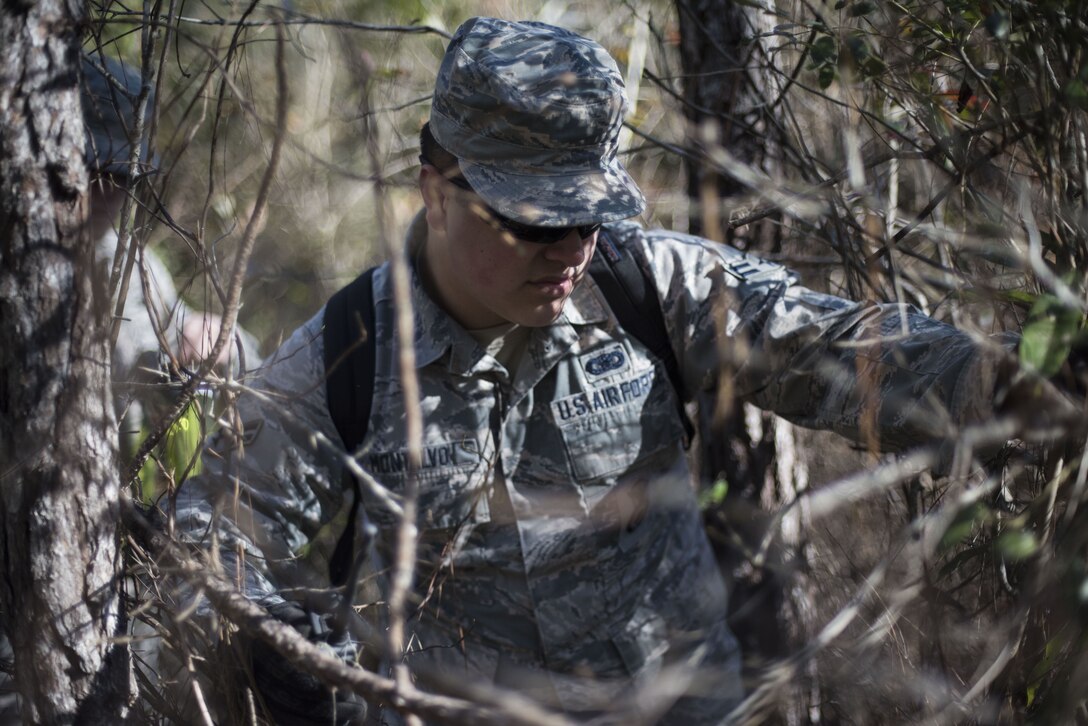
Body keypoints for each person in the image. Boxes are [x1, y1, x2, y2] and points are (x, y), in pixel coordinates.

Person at [174, 17, 1054, 725]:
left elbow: (826, 344)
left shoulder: (646, 284)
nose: (572, 248)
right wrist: (288, 658)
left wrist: (1011, 387)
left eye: (588, 215)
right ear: (436, 193)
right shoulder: (344, 357)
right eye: (535, 220)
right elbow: (212, 544)